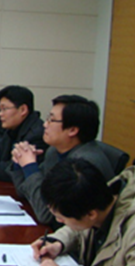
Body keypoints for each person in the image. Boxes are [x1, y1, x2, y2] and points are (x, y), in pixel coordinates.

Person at [9, 95, 115, 226]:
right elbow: (24, 191)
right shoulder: (54, 151)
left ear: (72, 130)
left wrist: (30, 167)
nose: (45, 124)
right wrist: (20, 161)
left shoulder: (84, 165)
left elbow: (47, 214)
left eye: (52, 120)